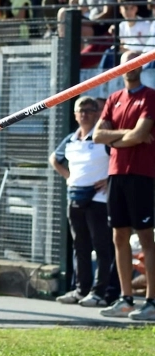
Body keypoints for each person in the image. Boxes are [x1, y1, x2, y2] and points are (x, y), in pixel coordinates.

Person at [93, 50, 155, 321]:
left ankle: (151, 302)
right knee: (118, 236)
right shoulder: (113, 99)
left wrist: (116, 138)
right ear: (119, 68)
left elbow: (142, 134)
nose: (131, 67)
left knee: (145, 237)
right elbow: (97, 135)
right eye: (126, 63)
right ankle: (125, 298)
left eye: (136, 62)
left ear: (143, 66)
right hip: (116, 174)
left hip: (141, 174)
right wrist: (123, 138)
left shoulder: (150, 97)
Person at [49, 96, 113, 307]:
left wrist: (108, 180)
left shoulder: (103, 138)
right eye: (81, 110)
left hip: (98, 200)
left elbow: (119, 158)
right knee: (80, 246)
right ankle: (81, 289)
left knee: (102, 247)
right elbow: (54, 159)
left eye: (89, 110)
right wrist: (68, 177)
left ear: (97, 114)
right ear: (75, 115)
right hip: (75, 196)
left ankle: (100, 292)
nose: (85, 114)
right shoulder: (70, 139)